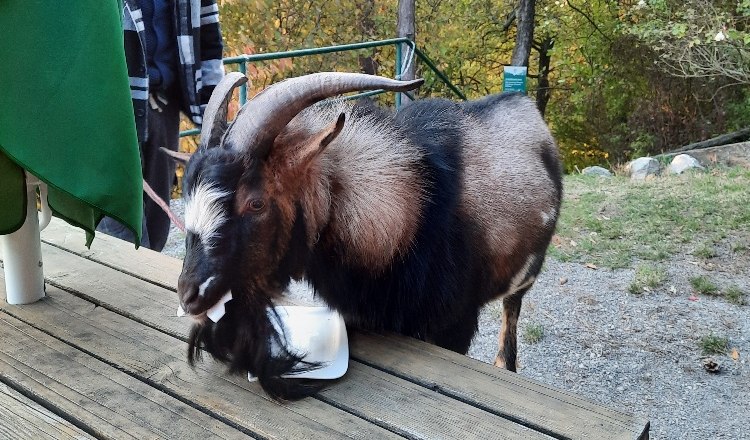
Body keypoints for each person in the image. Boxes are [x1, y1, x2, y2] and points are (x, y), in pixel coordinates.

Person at [98, 0, 224, 251]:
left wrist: (215, 119)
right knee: (119, 226)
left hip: (162, 105)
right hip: (109, 109)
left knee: (157, 224)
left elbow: (209, 39)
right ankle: (124, 286)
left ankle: (145, 286)